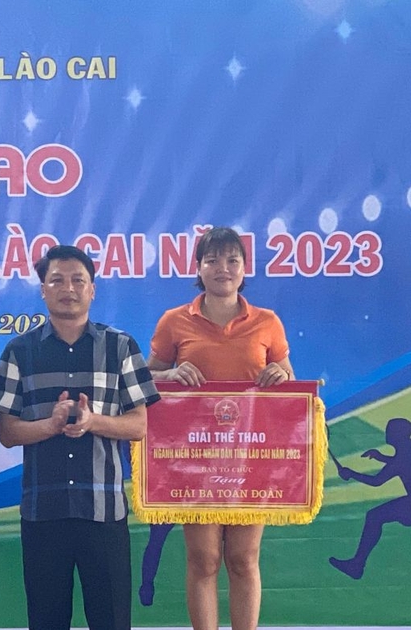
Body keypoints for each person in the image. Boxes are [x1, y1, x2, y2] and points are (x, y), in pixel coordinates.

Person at [0, 245, 161, 630]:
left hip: (103, 511)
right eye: (57, 280)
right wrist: (48, 427)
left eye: (77, 280)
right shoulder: (20, 350)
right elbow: (7, 432)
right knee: (47, 621)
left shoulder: (120, 347)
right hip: (43, 512)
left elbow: (139, 426)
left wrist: (93, 421)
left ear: (92, 290)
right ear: (43, 290)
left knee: (112, 620)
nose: (68, 288)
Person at [147, 226, 293, 630]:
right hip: (195, 458)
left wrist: (279, 375)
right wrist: (172, 373)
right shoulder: (175, 321)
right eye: (212, 260)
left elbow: (290, 383)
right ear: (198, 267)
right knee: (204, 559)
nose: (222, 268)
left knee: (244, 559)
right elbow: (144, 378)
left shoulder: (267, 322)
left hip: (252, 457)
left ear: (245, 268)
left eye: (232, 260)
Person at [329, 417, 411, 579]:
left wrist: (351, 474)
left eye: (390, 430)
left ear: (398, 434)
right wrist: (381, 457)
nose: (387, 432)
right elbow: (404, 464)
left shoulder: (403, 454)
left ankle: (356, 565)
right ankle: (356, 564)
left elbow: (376, 481)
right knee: (376, 516)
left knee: (374, 516)